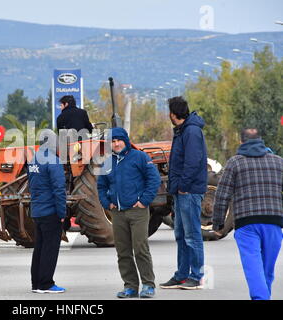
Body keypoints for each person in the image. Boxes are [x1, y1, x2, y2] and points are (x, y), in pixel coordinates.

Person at [212, 128, 283, 300]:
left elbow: (222, 195)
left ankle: (261, 298)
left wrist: (218, 223)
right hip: (273, 222)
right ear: (261, 140)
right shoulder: (278, 162)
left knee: (254, 268)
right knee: (266, 270)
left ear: (241, 142)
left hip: (247, 223)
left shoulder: (235, 162)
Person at [97, 127, 161, 298]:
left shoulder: (140, 157)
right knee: (123, 251)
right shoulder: (107, 162)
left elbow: (154, 179)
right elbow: (101, 186)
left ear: (125, 140)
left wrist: (144, 201)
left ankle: (148, 285)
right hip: (117, 213)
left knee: (140, 248)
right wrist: (106, 203)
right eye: (113, 141)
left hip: (137, 212)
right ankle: (130, 286)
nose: (116, 144)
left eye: (119, 140)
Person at [160, 96, 207, 290]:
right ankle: (181, 274)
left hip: (189, 191)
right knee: (180, 234)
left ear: (173, 114)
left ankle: (196, 276)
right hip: (181, 191)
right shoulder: (182, 130)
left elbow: (193, 162)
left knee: (192, 235)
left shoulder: (192, 131)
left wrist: (184, 186)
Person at [28, 130, 67, 294]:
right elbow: (59, 189)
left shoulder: (33, 159)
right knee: (50, 248)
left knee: (39, 247)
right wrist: (62, 213)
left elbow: (31, 184)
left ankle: (36, 283)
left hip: (37, 210)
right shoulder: (53, 161)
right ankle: (46, 284)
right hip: (50, 211)